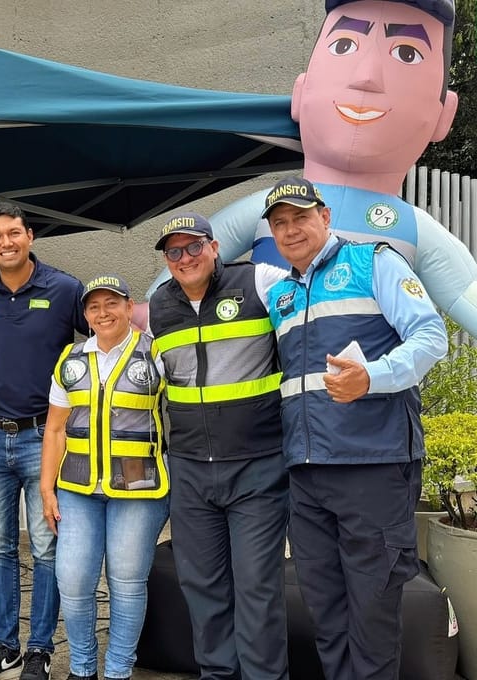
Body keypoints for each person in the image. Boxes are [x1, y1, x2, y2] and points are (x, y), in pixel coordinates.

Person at [165, 0, 477, 338]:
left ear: (444, 115)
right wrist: (142, 313)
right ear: (299, 93)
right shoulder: (270, 207)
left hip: (366, 371)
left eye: (406, 53)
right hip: (275, 369)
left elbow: (462, 299)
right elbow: (187, 261)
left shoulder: (412, 230)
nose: (367, 76)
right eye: (344, 45)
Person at [261, 176, 447, 679]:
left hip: (373, 466)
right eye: (280, 223)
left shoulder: (373, 262)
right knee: (325, 610)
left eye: (301, 217)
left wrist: (373, 377)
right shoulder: (281, 295)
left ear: (325, 217)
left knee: (372, 611)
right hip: (306, 472)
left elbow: (431, 335)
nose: (291, 230)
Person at [147, 212, 290, 680]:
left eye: (194, 246)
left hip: (258, 467)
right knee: (201, 587)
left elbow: (310, 310)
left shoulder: (260, 282)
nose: (185, 257)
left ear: (214, 248)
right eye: (174, 251)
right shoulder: (159, 307)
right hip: (190, 470)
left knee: (257, 588)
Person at [0, 202, 89, 680]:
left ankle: (39, 649)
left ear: (30, 236)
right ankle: (4, 646)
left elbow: (104, 331)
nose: (6, 243)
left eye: (13, 233)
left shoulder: (65, 288)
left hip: (44, 437)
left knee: (45, 548)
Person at [40, 274, 169, 680]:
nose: (103, 312)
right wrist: (46, 488)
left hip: (139, 486)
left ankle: (117, 671)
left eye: (112, 303)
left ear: (130, 307)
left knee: (126, 581)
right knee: (73, 580)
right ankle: (82, 669)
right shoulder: (72, 358)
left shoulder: (156, 353)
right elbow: (55, 429)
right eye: (94, 306)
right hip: (77, 486)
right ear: (86, 315)